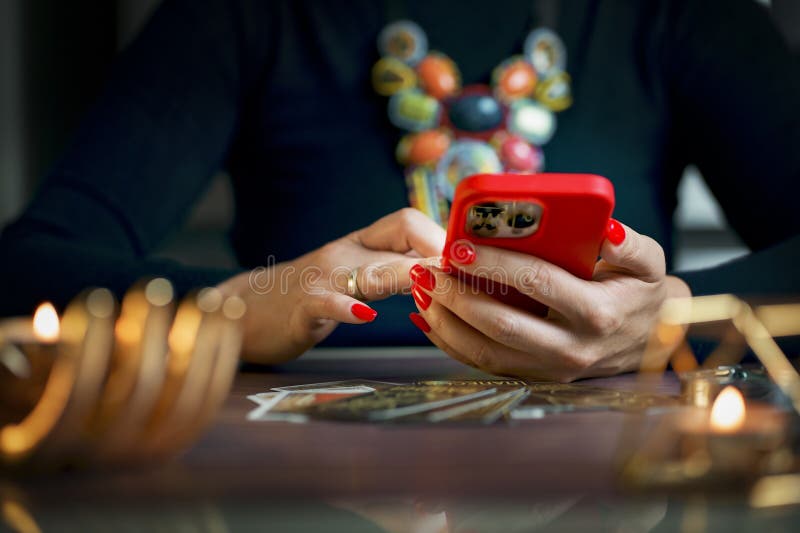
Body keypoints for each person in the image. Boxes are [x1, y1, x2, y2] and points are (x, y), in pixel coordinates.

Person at [0, 0, 798, 380]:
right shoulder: (239, 16)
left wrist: (673, 318)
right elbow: (23, 272)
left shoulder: (680, 15)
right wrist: (235, 308)